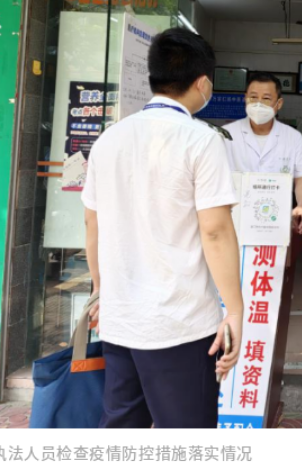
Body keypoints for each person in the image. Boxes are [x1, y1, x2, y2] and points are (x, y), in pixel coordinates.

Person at [82, 28, 242, 428]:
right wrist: (236, 311)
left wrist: (100, 290)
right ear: (202, 83)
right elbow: (215, 231)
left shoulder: (109, 139)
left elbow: (91, 221)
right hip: (180, 324)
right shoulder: (201, 140)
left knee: (122, 426)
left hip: (120, 320)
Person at [224, 72, 302, 234]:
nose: (258, 104)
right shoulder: (226, 135)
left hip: (275, 221)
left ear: (279, 103)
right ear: (245, 98)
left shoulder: (293, 137)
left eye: (266, 98)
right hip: (234, 220)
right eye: (253, 97)